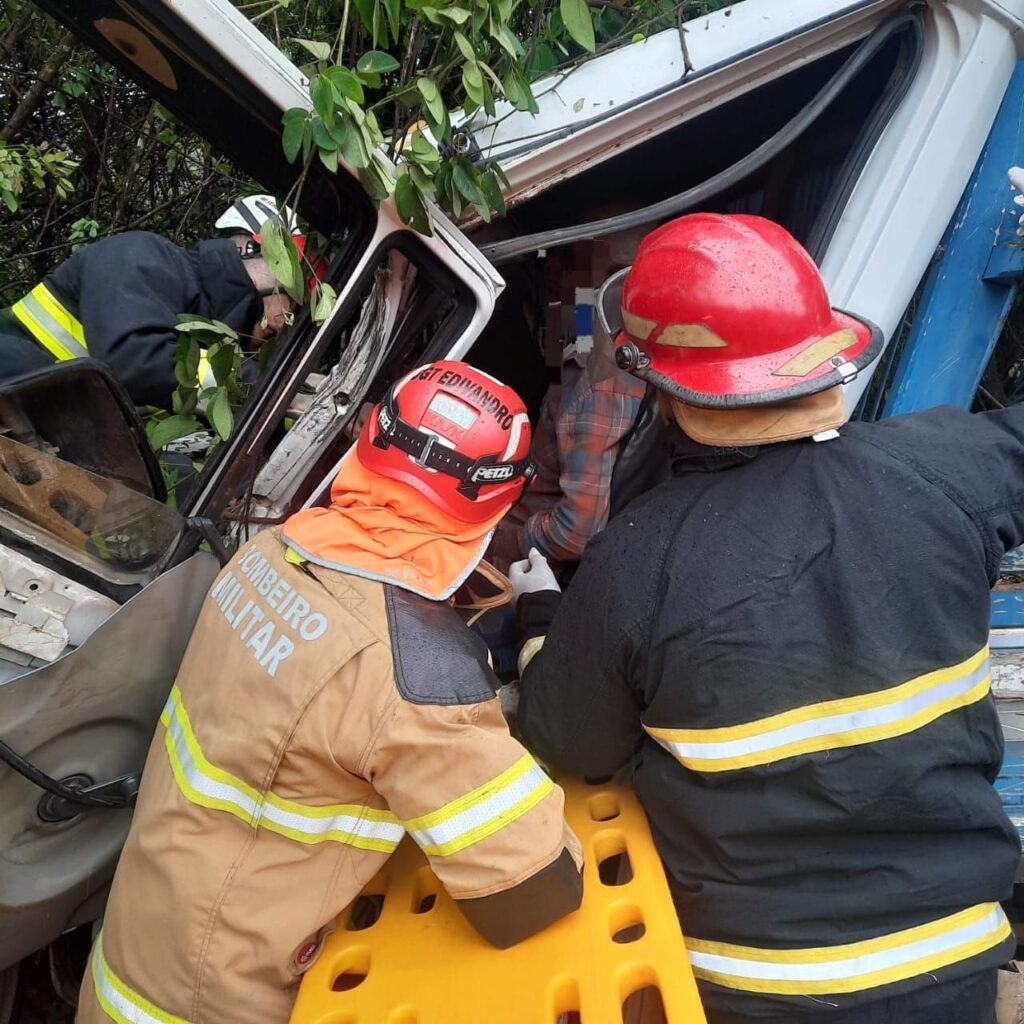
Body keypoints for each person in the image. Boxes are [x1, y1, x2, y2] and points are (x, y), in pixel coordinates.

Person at [511, 213, 1023, 1024]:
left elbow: (571, 746)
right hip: (953, 964)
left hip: (754, 988)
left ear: (659, 383)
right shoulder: (944, 471)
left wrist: (540, 617)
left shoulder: (637, 562)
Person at [76, 360, 583, 1024]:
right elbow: (534, 892)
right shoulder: (414, 679)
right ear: (498, 502)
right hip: (219, 1003)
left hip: (127, 965)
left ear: (368, 441)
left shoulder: (264, 556)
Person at [0, 230, 293, 408]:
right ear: (273, 284)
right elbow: (138, 362)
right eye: (288, 316)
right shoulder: (144, 256)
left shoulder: (197, 325)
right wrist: (263, 387)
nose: (264, 347)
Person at [487, 277, 648, 574]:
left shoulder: (600, 389)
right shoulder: (592, 327)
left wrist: (500, 542)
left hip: (526, 564)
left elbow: (574, 534)